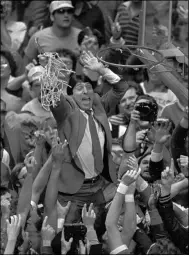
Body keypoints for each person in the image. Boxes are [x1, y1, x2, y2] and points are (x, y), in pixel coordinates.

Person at [38, 50, 127, 229]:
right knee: (68, 235)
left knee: (101, 232)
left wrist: (101, 70)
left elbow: (121, 87)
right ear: (71, 95)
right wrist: (49, 69)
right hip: (74, 190)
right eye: (80, 88)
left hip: (101, 185)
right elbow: (54, 97)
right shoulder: (66, 113)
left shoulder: (100, 107)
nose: (86, 91)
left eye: (89, 88)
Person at [24, 0, 81, 65]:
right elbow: (26, 67)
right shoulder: (38, 38)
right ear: (52, 17)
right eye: (61, 11)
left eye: (69, 11)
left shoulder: (82, 36)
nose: (66, 15)